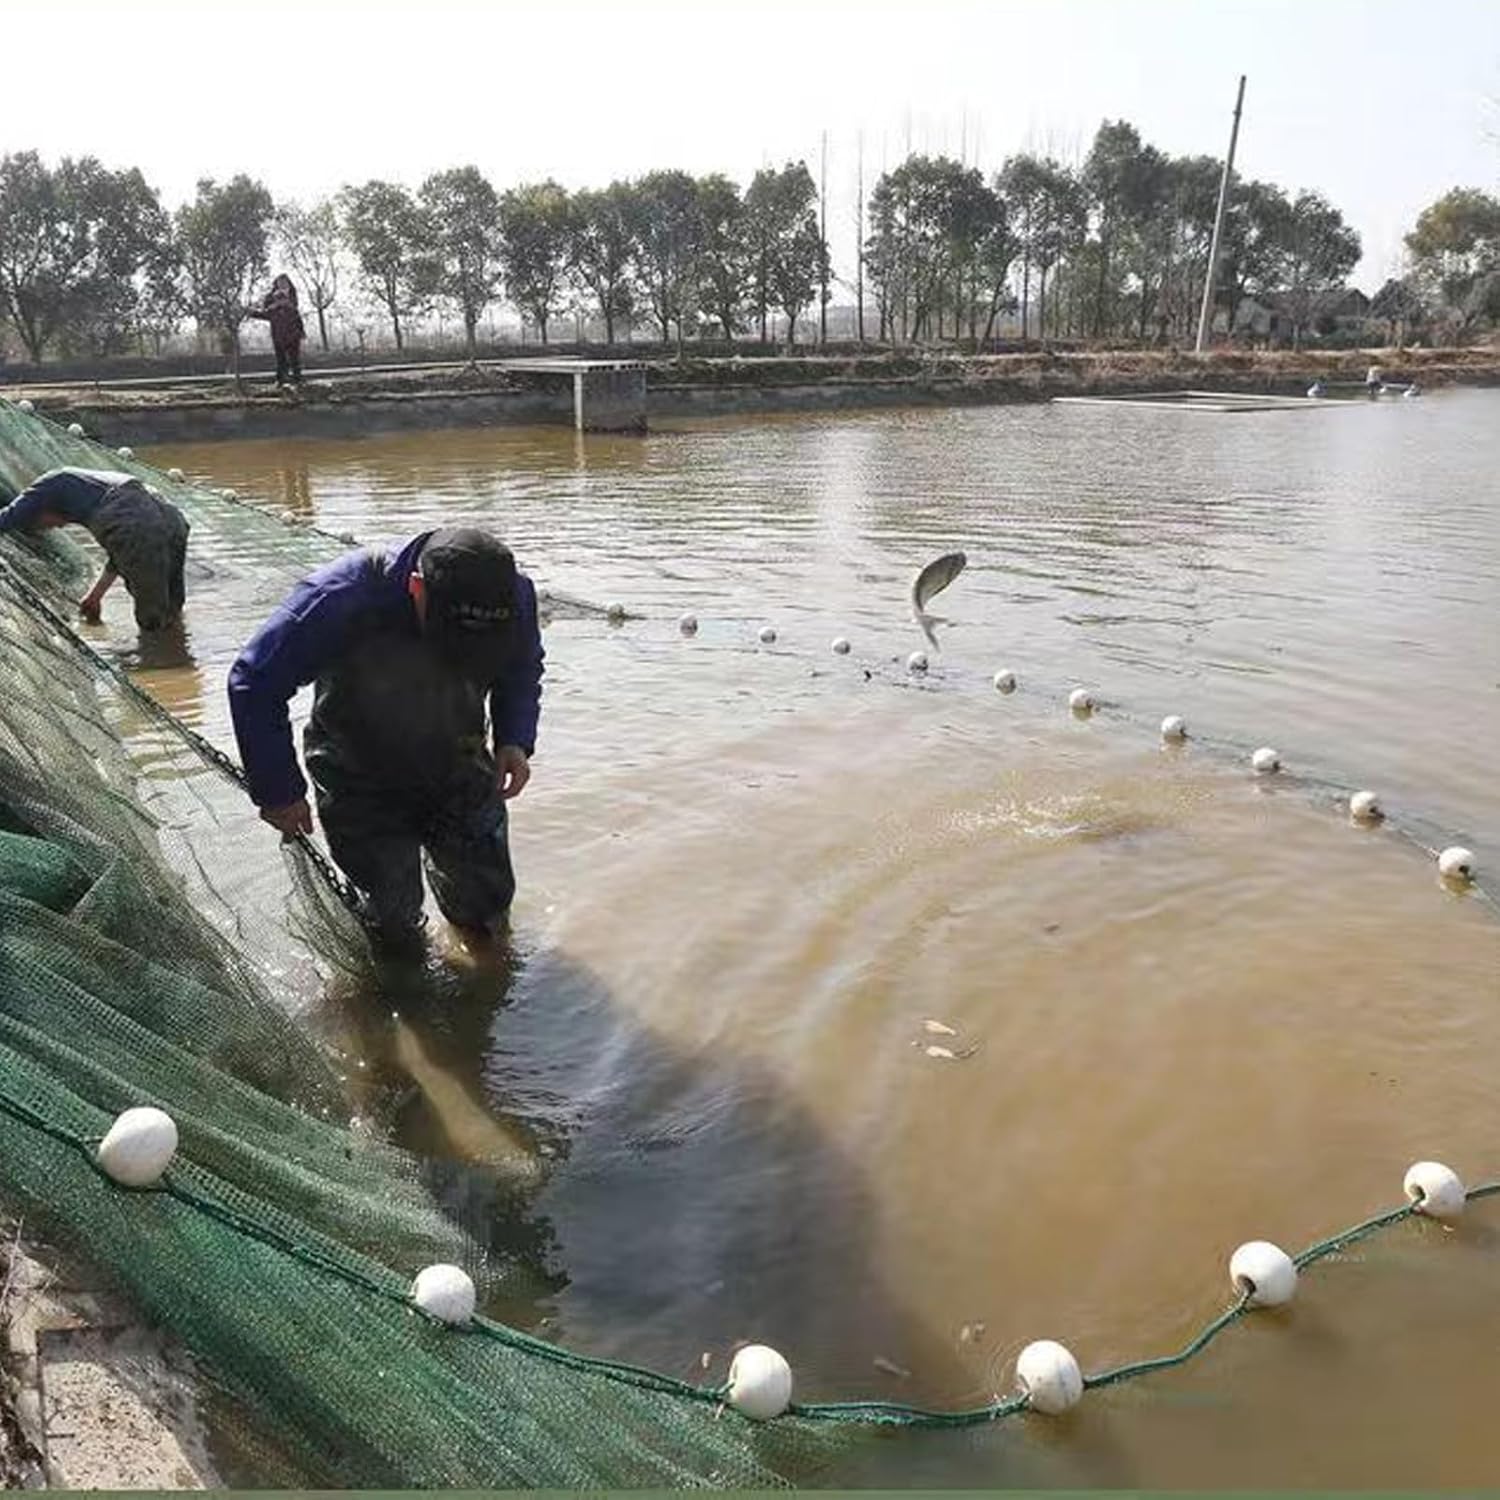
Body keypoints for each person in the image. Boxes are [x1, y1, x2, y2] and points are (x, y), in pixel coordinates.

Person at [227, 527, 544, 955]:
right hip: (358, 771)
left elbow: (522, 666)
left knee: (486, 907)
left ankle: (487, 976)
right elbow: (255, 681)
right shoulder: (342, 595)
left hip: (460, 758)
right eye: (451, 638)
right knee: (390, 919)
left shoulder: (513, 595)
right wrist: (279, 791)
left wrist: (514, 739)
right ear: (416, 588)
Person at [0, 466, 190, 630]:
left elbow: (8, 517)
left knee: (152, 618)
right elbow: (122, 555)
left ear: (38, 509)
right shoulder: (82, 489)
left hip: (134, 515)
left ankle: (157, 657)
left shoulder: (43, 491)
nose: (57, 527)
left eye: (43, 525)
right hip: (169, 514)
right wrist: (95, 596)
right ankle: (176, 650)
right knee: (172, 608)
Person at [247, 274, 306, 387]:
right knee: (281, 358)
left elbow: (296, 314)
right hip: (279, 332)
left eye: (285, 282)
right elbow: (266, 313)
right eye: (280, 282)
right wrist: (254, 312)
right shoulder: (271, 299)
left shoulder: (292, 297)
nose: (283, 284)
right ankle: (281, 380)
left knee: (294, 358)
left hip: (293, 332)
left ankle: (297, 380)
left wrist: (301, 330)